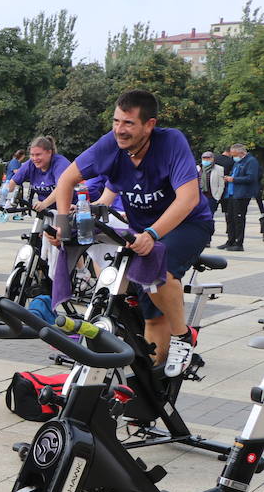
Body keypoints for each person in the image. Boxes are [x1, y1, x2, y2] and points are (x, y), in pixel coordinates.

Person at [51, 89, 214, 377]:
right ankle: (154, 384)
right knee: (151, 314)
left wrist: (152, 234)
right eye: (116, 121)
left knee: (161, 270)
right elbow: (66, 179)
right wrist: (62, 226)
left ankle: (183, 337)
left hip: (188, 223)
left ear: (149, 125)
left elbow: (187, 199)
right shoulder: (110, 144)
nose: (119, 130)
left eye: (128, 123)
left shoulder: (171, 141)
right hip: (142, 231)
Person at [9, 136, 69, 214]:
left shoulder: (60, 164)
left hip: (67, 207)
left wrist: (44, 204)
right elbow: (12, 183)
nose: (34, 158)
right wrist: (1, 199)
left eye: (38, 155)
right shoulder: (30, 164)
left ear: (49, 152)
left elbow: (61, 188)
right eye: (32, 155)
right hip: (46, 210)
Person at [222, 144, 260, 250]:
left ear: (241, 153)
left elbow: (251, 178)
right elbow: (233, 173)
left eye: (234, 155)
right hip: (231, 193)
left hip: (242, 194)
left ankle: (239, 243)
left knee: (238, 219)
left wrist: (233, 179)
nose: (233, 157)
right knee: (230, 218)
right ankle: (230, 241)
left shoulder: (251, 161)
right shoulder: (238, 162)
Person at [199, 150, 223, 217]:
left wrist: (217, 196)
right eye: (204, 158)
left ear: (212, 159)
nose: (206, 160)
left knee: (209, 216)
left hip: (211, 197)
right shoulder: (198, 168)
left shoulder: (219, 169)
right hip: (199, 197)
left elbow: (221, 184)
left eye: (208, 158)